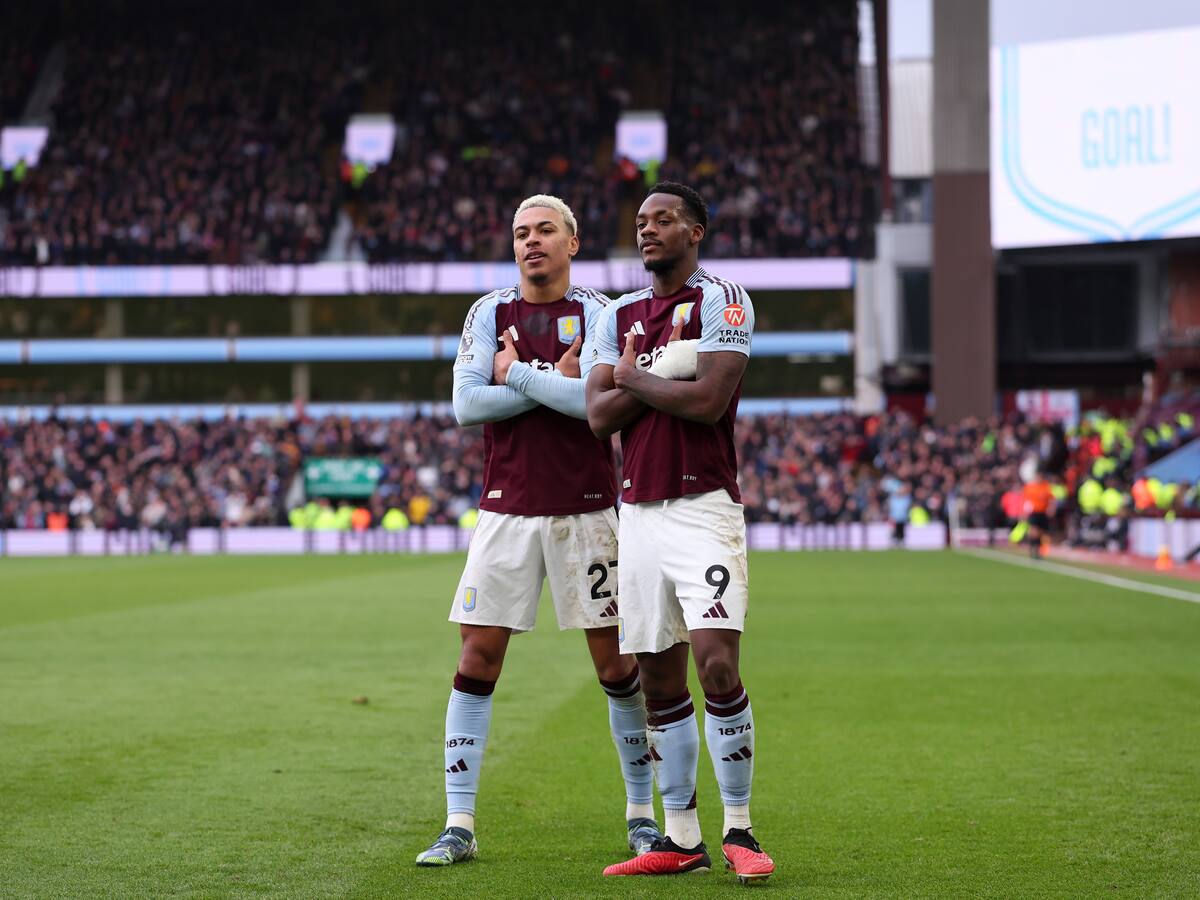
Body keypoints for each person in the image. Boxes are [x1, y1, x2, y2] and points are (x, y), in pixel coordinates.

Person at [415, 195, 663, 867]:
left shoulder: (602, 313)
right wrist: (554, 381)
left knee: (617, 666)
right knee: (475, 662)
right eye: (521, 232)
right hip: (505, 512)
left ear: (572, 242)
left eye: (545, 230)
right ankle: (458, 823)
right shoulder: (488, 310)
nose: (531, 242)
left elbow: (597, 405)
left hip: (588, 511)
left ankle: (642, 816)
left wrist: (518, 374)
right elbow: (468, 405)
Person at [585, 182, 775, 883]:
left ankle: (741, 830)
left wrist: (633, 376)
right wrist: (653, 373)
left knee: (716, 663)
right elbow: (598, 417)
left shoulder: (724, 299)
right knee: (658, 678)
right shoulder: (617, 313)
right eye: (640, 221)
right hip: (637, 513)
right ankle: (684, 839)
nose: (648, 230)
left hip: (704, 508)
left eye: (664, 219)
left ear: (696, 230)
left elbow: (709, 399)